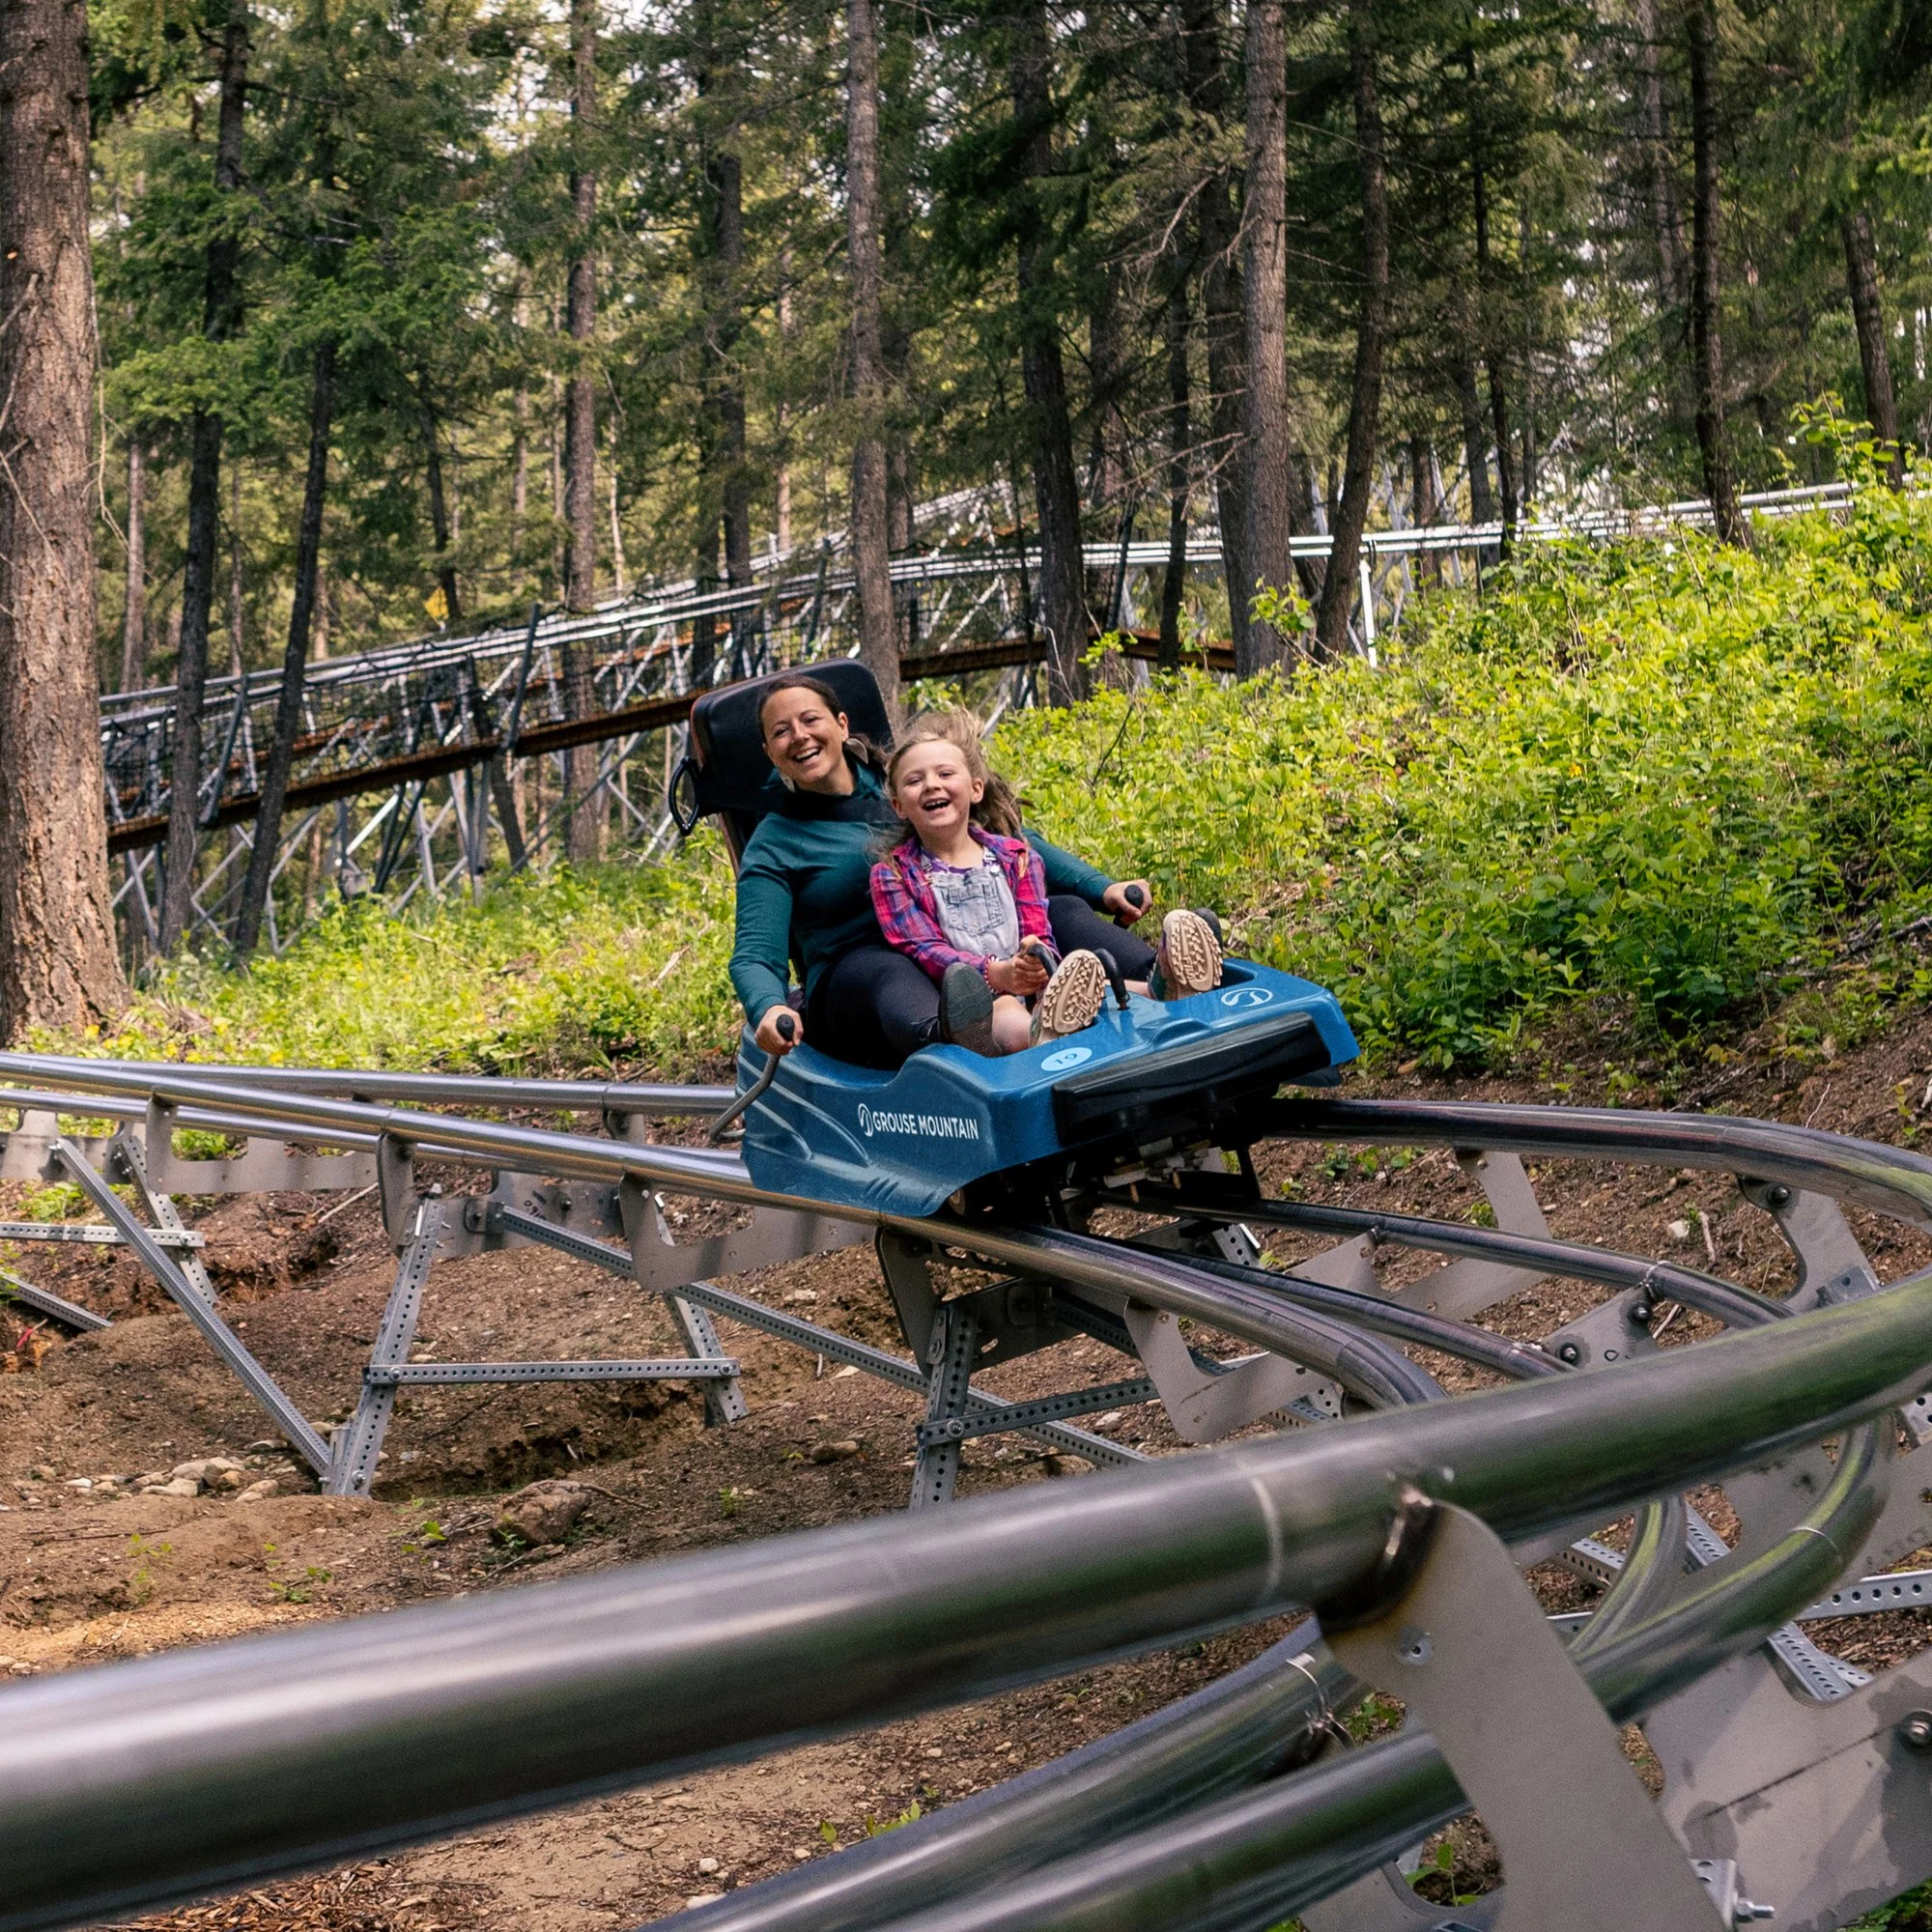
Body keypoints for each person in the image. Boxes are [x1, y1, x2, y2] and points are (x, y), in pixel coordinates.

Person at [727, 673, 1213, 1069]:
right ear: (771, 753)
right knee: (881, 966)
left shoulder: (909, 783)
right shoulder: (776, 841)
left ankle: (1162, 979)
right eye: (781, 732)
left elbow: (1011, 846)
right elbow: (754, 953)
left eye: (809, 720)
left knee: (1058, 909)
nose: (799, 737)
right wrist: (768, 1007)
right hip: (867, 981)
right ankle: (964, 1033)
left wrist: (1102, 888)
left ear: (840, 723)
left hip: (967, 936)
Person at [868, 718, 1225, 1056]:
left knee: (1088, 983)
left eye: (945, 774)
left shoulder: (1016, 857)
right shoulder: (894, 875)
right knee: (1006, 1009)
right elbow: (925, 950)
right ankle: (1041, 1035)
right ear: (899, 806)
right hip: (978, 999)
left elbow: (1037, 927)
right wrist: (997, 974)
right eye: (915, 780)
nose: (931, 784)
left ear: (976, 789)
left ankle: (1164, 988)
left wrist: (1036, 963)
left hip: (1035, 980)